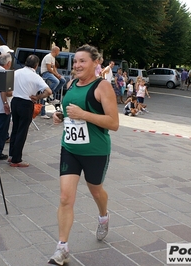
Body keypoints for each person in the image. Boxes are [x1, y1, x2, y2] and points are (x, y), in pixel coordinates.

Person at [49, 44, 119, 265]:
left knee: (96, 192)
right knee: (65, 198)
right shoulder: (70, 84)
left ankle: (103, 216)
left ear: (96, 62)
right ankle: (62, 248)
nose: (77, 65)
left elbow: (113, 123)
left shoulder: (103, 87)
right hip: (70, 148)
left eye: (82, 61)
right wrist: (61, 116)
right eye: (75, 61)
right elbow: (71, 112)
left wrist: (84, 114)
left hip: (95, 151)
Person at [8, 55, 52, 167]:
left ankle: (11, 154)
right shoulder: (35, 76)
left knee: (15, 129)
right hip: (26, 103)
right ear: (36, 65)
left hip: (15, 101)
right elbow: (49, 91)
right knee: (22, 131)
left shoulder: (16, 72)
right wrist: (38, 97)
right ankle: (16, 159)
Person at [40, 46, 66, 118]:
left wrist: (58, 74)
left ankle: (52, 93)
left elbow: (54, 68)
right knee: (56, 81)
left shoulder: (53, 58)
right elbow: (48, 68)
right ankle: (50, 93)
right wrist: (55, 75)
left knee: (62, 80)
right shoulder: (48, 57)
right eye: (59, 51)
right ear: (55, 51)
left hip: (50, 73)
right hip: (46, 73)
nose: (59, 53)